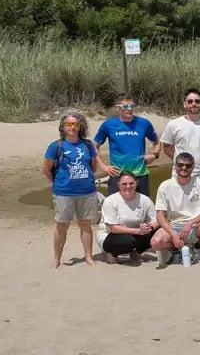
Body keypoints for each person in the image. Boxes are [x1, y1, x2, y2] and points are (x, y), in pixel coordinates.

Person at [43, 111, 106, 267]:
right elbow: (46, 168)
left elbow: (93, 165)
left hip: (87, 191)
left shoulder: (87, 145)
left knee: (85, 225)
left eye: (75, 124)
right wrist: (56, 183)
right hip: (64, 192)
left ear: (80, 126)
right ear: (63, 127)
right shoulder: (55, 146)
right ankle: (57, 258)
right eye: (69, 124)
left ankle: (89, 257)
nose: (72, 127)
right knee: (62, 225)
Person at [151, 152, 200, 267]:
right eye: (180, 165)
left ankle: (197, 247)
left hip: (194, 225)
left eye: (188, 165)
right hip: (173, 225)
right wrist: (172, 233)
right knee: (155, 242)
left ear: (193, 167)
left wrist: (191, 222)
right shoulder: (165, 186)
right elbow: (160, 215)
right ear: (175, 166)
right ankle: (175, 250)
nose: (184, 168)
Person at [94, 94, 159, 197]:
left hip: (140, 174)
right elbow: (95, 146)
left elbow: (157, 141)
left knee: (142, 209)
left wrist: (155, 155)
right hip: (117, 175)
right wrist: (103, 166)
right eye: (125, 107)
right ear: (118, 108)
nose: (129, 109)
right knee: (115, 208)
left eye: (131, 106)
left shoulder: (144, 123)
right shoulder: (108, 125)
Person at [99, 172, 157, 264]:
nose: (128, 186)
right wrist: (138, 231)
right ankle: (112, 254)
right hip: (111, 235)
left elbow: (156, 220)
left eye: (131, 183)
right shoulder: (110, 201)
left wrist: (149, 227)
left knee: (158, 229)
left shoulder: (145, 200)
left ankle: (137, 252)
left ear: (136, 183)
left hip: (134, 232)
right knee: (128, 241)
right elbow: (113, 228)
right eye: (124, 184)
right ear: (118, 185)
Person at [160, 88, 200, 186]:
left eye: (197, 101)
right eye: (190, 101)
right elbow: (166, 148)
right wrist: (181, 163)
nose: (193, 104)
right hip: (180, 176)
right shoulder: (173, 124)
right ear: (185, 104)